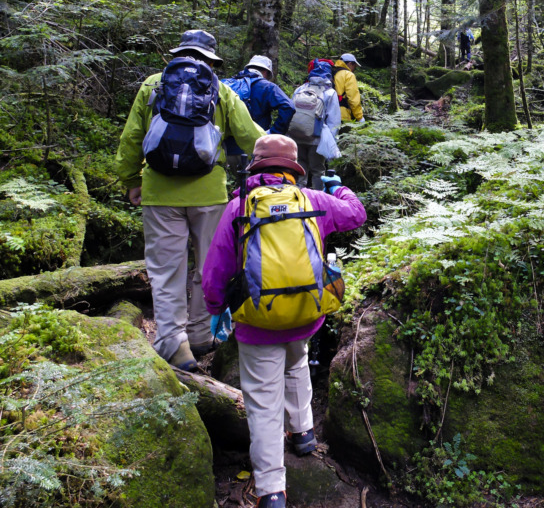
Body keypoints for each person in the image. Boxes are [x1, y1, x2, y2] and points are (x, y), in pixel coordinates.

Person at [202, 134, 366, 508]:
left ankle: (272, 488)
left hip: (257, 324)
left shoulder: (239, 205)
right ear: (293, 168)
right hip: (306, 314)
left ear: (255, 166)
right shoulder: (312, 200)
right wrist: (340, 190)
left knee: (262, 403)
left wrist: (215, 310)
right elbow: (357, 213)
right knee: (297, 363)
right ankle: (304, 433)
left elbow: (215, 269)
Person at [115, 29, 264, 372]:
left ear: (178, 54)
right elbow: (253, 138)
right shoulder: (220, 90)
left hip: (159, 192)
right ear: (211, 59)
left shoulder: (154, 85)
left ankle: (173, 343)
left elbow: (131, 138)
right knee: (209, 265)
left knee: (167, 270)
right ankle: (200, 334)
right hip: (209, 194)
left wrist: (131, 181)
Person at [222, 55, 295, 165]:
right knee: (254, 181)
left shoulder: (228, 84)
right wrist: (274, 133)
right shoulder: (267, 86)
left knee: (235, 180)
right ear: (266, 72)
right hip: (256, 149)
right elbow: (288, 107)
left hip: (227, 148)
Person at [287, 59, 341, 190]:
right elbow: (334, 120)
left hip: (296, 134)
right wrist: (331, 143)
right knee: (317, 170)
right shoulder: (330, 92)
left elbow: (290, 109)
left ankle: (298, 195)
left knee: (300, 167)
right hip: (316, 138)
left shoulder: (301, 88)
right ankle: (318, 198)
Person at [333, 52, 365, 123]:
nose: (354, 69)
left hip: (326, 113)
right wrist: (360, 117)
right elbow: (353, 99)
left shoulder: (332, 72)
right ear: (350, 63)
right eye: (354, 66)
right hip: (341, 114)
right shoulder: (348, 75)